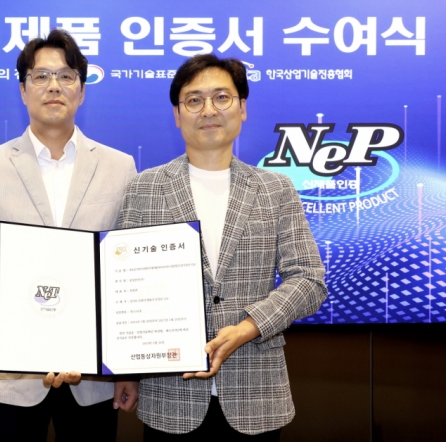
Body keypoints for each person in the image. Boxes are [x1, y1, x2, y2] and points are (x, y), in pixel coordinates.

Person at [114, 54, 327, 441]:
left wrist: (248, 327)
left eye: (221, 98)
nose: (208, 110)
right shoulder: (144, 188)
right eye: (194, 100)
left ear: (242, 108)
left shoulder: (275, 189)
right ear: (177, 114)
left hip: (255, 394)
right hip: (170, 397)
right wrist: (124, 368)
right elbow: (120, 287)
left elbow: (309, 280)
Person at [0, 29, 136, 441]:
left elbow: (125, 279)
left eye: (67, 76)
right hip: (10, 380)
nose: (54, 86)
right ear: (23, 90)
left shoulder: (120, 167)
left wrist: (127, 369)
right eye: (41, 76)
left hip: (94, 380)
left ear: (82, 91)